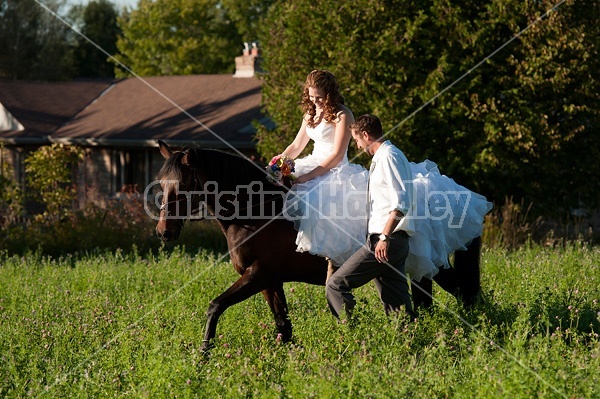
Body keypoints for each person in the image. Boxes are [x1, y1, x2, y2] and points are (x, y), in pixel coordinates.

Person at [280, 70, 368, 279]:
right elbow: (296, 145)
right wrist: (279, 161)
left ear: (330, 94)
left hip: (334, 170)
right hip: (311, 162)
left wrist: (307, 177)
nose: (315, 101)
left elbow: (337, 155)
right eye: (311, 96)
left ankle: (330, 266)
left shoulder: (343, 114)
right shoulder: (310, 114)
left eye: (319, 97)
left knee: (317, 203)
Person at [326, 114, 415, 320]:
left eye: (357, 140)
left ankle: (349, 335)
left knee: (335, 285)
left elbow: (401, 201)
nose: (357, 146)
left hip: (386, 241)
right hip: (392, 241)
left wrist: (384, 238)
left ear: (365, 135)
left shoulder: (388, 156)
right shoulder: (385, 157)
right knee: (397, 307)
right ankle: (411, 344)